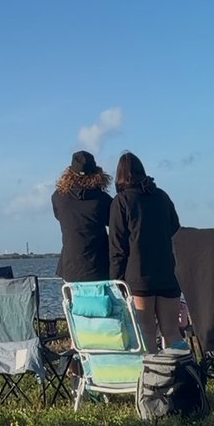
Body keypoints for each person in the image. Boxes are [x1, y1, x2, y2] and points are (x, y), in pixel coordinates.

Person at [109, 151, 182, 353]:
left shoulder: (121, 202)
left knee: (147, 333)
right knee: (172, 332)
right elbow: (176, 232)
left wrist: (115, 282)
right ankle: (182, 375)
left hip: (139, 276)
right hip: (168, 273)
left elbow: (117, 247)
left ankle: (153, 380)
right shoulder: (162, 197)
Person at [51, 150, 112, 282]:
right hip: (99, 266)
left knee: (73, 302)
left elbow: (59, 216)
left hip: (70, 268)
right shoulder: (102, 199)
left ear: (69, 172)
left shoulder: (58, 197)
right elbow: (113, 223)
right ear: (96, 173)